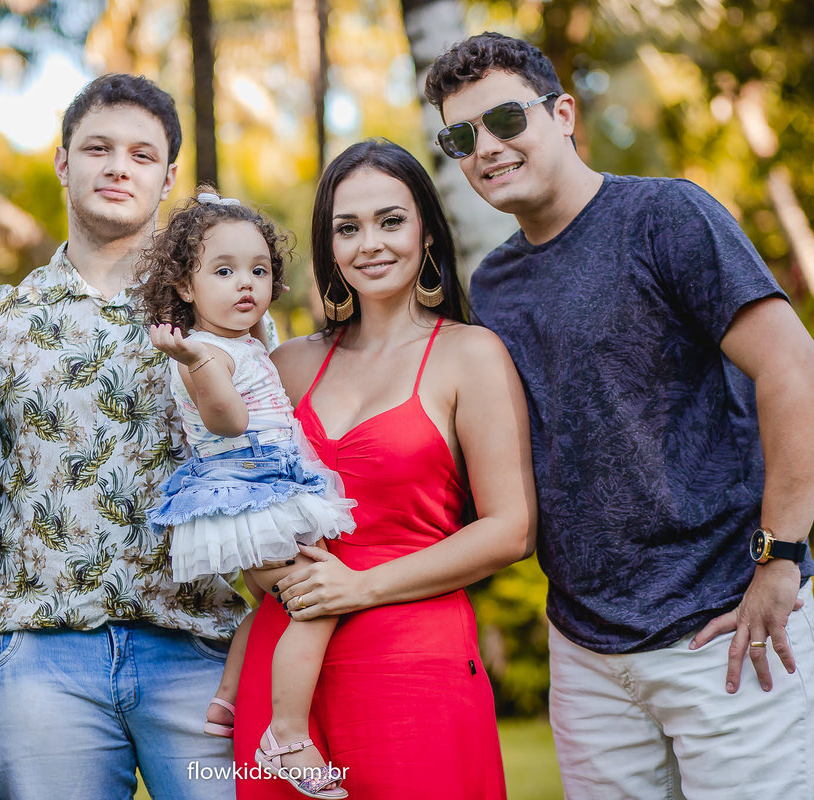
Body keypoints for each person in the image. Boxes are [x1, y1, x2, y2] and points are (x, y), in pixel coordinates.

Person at [424, 32, 814, 798]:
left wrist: (780, 562)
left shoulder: (664, 215)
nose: (486, 148)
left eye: (505, 119)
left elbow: (798, 371)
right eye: (461, 137)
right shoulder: (496, 283)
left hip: (724, 625)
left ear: (563, 114)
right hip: (587, 654)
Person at [0, 74, 248, 800]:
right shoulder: (0, 320)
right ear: (63, 162)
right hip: (39, 656)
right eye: (98, 148)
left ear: (168, 178)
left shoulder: (223, 308)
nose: (119, 167)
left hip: (199, 646)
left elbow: (270, 451)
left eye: (142, 155)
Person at [234, 139, 538, 799]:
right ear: (329, 245)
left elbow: (511, 529)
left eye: (390, 221)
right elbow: (239, 502)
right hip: (285, 676)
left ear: (426, 233)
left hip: (413, 668)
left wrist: (360, 588)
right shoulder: (285, 366)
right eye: (348, 228)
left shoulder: (470, 355)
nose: (369, 243)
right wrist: (266, 570)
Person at [136, 189, 356, 799]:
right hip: (250, 501)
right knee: (317, 601)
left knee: (270, 604)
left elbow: (252, 333)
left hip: (265, 492)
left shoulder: (241, 340)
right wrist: (195, 361)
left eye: (259, 271)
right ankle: (285, 735)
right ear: (184, 285)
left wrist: (220, 221)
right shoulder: (203, 354)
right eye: (224, 271)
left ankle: (227, 702)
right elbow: (228, 421)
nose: (245, 285)